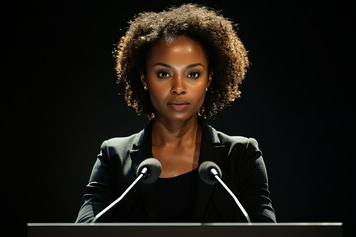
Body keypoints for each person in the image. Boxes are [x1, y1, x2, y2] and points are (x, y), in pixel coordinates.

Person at [75, 3, 276, 223]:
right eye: (163, 73)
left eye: (193, 74)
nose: (178, 87)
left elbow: (264, 231)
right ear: (144, 79)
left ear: (209, 79)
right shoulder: (113, 156)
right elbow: (85, 230)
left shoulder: (241, 155)